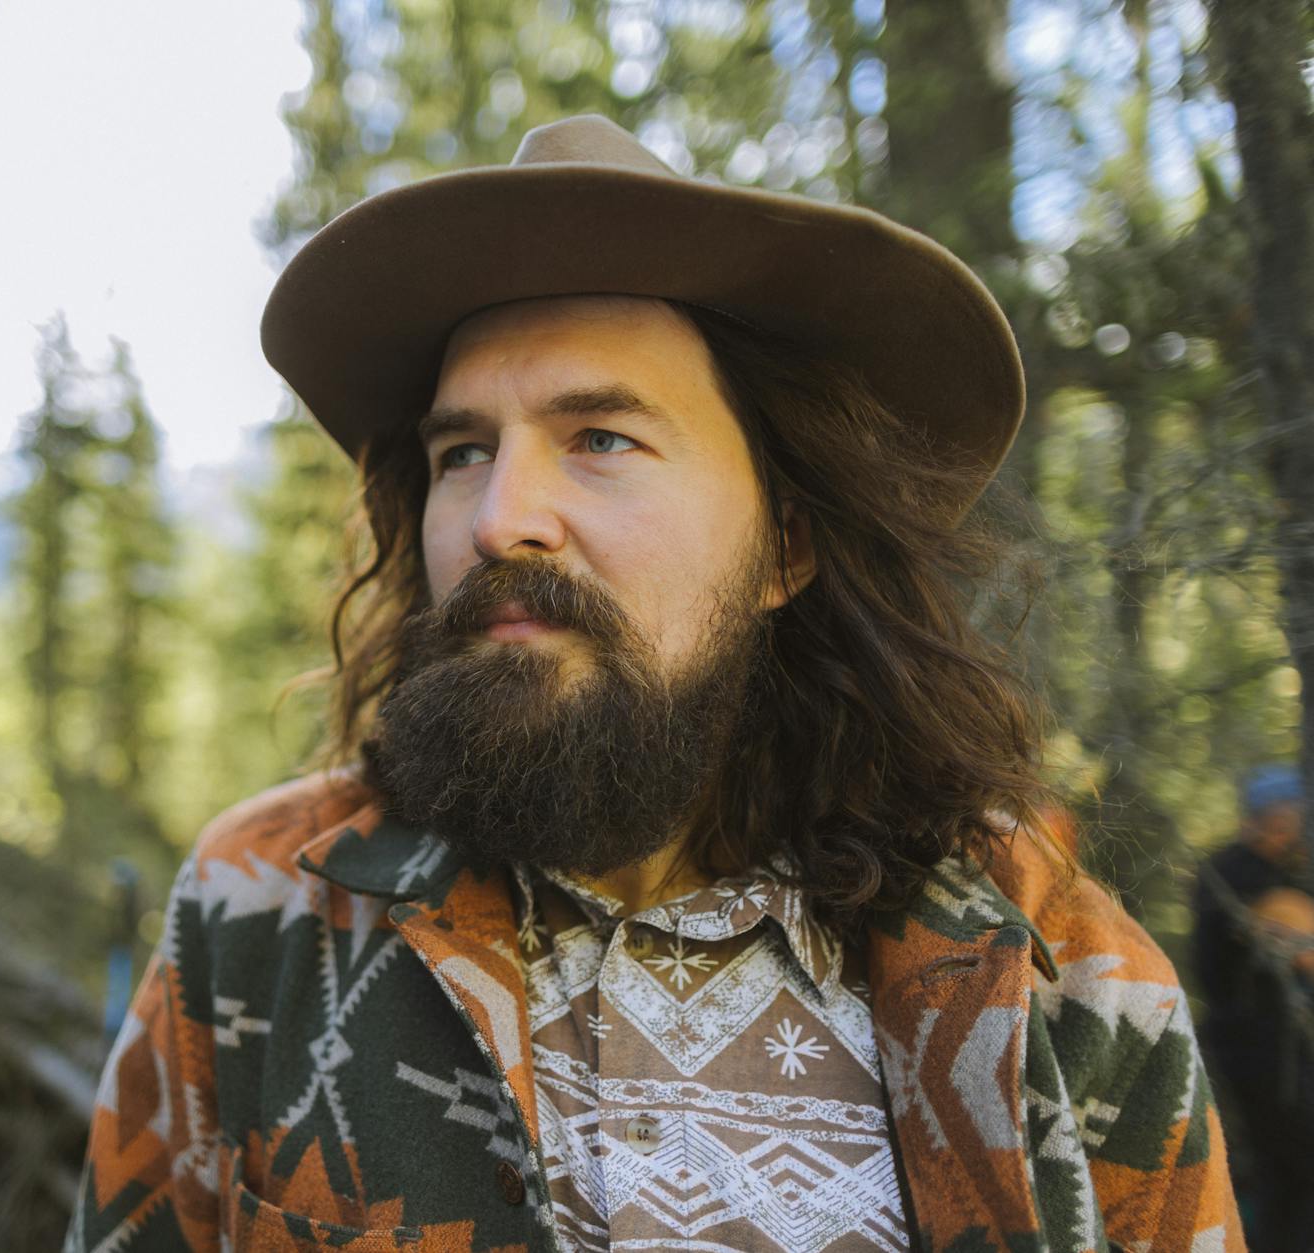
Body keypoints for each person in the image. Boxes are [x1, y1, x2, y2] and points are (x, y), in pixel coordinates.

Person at [67, 116, 1241, 1252]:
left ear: (785, 545)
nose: (497, 519)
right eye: (460, 452)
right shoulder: (261, 910)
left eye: (599, 439)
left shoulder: (1056, 975)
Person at [1194, 765, 1312, 1250]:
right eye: (1278, 816)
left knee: (1287, 1172)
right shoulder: (1237, 871)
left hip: (1280, 1048)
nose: (1287, 826)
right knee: (1291, 1165)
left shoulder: (1284, 869)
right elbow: (1297, 934)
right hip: (1256, 1048)